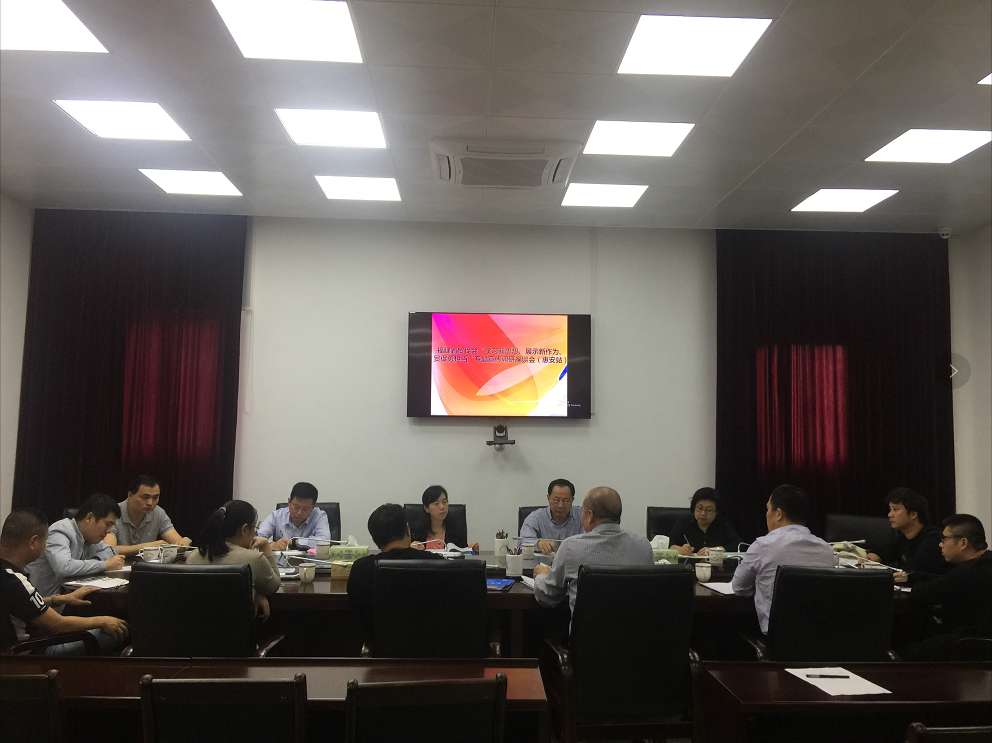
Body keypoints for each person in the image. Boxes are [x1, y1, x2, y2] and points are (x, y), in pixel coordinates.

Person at [2, 510, 128, 655]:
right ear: (33, 542)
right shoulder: (14, 580)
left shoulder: (8, 576)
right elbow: (57, 624)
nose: (45, 547)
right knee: (116, 632)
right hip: (28, 652)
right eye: (45, 542)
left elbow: (20, 603)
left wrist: (58, 599)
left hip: (20, 645)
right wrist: (102, 621)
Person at [532, 486, 653, 618]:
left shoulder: (571, 547)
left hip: (587, 631)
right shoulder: (643, 545)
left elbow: (548, 597)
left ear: (589, 516)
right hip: (636, 630)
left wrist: (542, 575)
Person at [731, 484, 835, 635]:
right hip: (817, 639)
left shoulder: (762, 546)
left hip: (776, 640)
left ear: (778, 514)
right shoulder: (826, 550)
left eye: (768, 509)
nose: (766, 514)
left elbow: (739, 587)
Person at [347, 503, 444, 641]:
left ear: (375, 539)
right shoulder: (436, 563)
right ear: (407, 530)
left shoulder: (361, 569)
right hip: (432, 647)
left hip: (380, 648)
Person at [903, 514, 992, 659]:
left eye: (944, 539)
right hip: (980, 638)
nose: (940, 544)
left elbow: (922, 593)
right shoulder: (984, 562)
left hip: (972, 644)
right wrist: (912, 577)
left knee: (908, 649)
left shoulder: (966, 573)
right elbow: (945, 582)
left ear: (963, 543)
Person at [186, 500, 280, 620]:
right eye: (254, 528)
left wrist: (254, 592)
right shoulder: (254, 559)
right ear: (244, 529)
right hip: (240, 629)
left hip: (198, 628)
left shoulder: (193, 556)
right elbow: (273, 587)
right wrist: (266, 547)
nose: (255, 533)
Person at [24, 493, 126, 600]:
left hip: (68, 600)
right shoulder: (60, 531)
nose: (109, 531)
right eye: (107, 524)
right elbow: (64, 567)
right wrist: (104, 565)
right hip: (42, 603)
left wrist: (97, 561)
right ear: (89, 518)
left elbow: (110, 551)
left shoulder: (90, 538)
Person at [867, 487, 947, 582]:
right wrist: (875, 556)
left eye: (895, 509)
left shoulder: (932, 539)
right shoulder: (903, 537)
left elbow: (915, 572)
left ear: (913, 514)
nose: (889, 515)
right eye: (890, 509)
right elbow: (885, 552)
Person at [103, 474, 191, 557]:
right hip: (117, 565)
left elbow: (177, 543)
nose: (150, 503)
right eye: (145, 497)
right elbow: (108, 550)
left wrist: (183, 543)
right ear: (130, 495)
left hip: (146, 565)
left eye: (155, 497)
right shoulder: (113, 513)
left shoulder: (158, 513)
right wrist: (147, 547)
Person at [669, 487, 742, 556]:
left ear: (716, 512)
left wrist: (716, 550)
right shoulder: (684, 522)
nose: (703, 513)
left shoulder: (722, 523)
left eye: (709, 510)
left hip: (715, 564)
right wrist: (680, 549)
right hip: (688, 564)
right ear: (694, 508)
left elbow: (738, 544)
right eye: (700, 508)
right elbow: (670, 544)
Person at [257, 481, 330, 550]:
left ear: (313, 507)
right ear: (289, 502)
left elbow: (324, 541)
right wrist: (271, 545)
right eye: (296, 507)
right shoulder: (276, 516)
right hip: (282, 559)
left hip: (309, 559)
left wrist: (294, 542)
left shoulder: (319, 516)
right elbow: (258, 538)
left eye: (305, 509)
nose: (299, 512)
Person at [520, 478, 584, 555]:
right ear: (548, 498)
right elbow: (523, 541)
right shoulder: (535, 517)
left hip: (574, 561)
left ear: (572, 500)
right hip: (542, 562)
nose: (560, 505)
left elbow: (591, 541)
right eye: (556, 500)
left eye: (566, 500)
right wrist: (538, 543)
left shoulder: (583, 516)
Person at [410, 485, 478, 551]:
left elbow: (462, 552)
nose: (442, 507)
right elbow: (409, 553)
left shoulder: (456, 529)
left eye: (444, 502)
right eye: (436, 503)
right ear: (426, 508)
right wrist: (411, 548)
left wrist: (471, 549)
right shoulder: (417, 530)